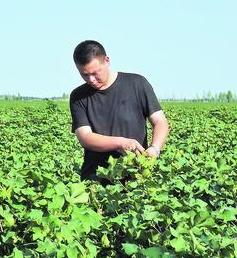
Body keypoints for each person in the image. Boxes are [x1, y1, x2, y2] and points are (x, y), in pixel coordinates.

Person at [69, 40, 169, 181]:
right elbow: (85, 138)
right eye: (84, 75)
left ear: (107, 61)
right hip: (96, 178)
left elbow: (160, 121)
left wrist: (154, 149)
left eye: (95, 73)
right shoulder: (79, 96)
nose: (91, 79)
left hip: (136, 175)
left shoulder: (137, 84)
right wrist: (120, 142)